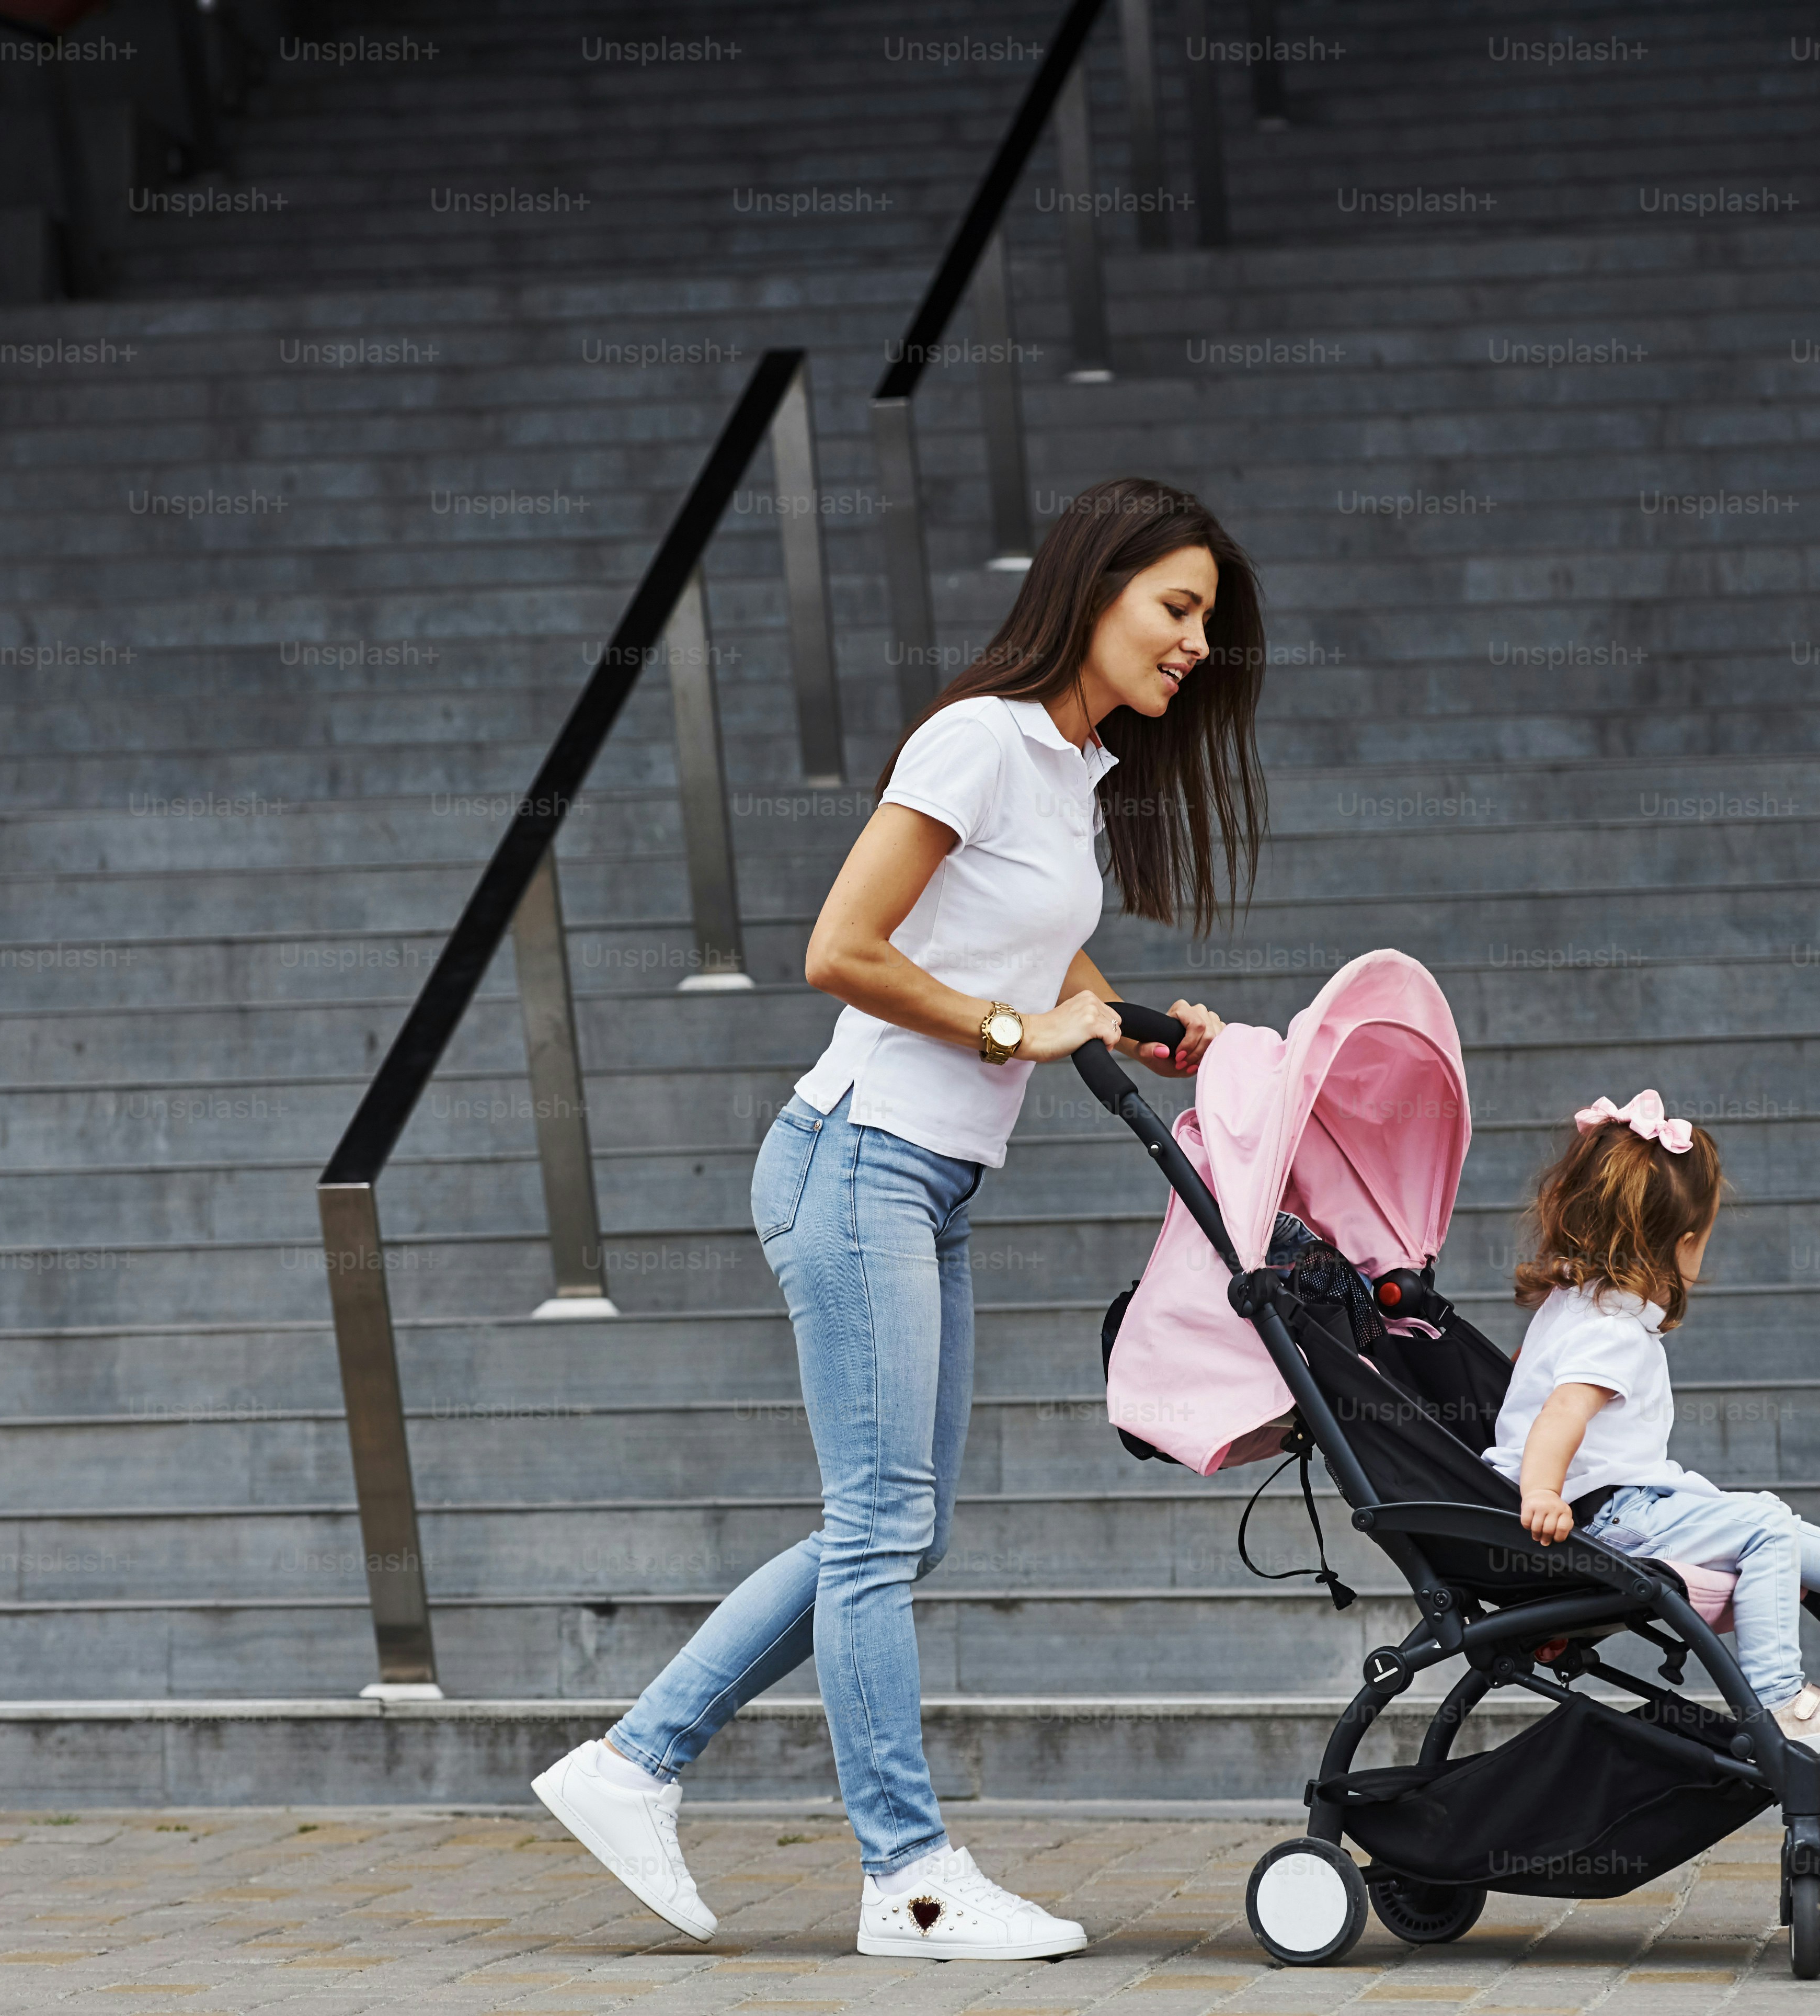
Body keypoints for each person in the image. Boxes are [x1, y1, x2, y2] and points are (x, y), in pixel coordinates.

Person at [530, 478, 1270, 1958]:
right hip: (853, 1153)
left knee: (893, 1531)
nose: (1193, 643)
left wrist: (1123, 1022)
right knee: (878, 1528)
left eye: (1206, 623)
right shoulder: (976, 738)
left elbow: (1029, 953)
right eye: (1173, 607)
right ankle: (910, 1881)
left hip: (924, 1177)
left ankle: (630, 1757)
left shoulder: (1067, 769)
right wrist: (1014, 1031)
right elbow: (838, 947)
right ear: (1094, 582)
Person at [1486, 1090, 1820, 1753]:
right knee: (1764, 1525)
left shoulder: (1572, 1304)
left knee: (1768, 1523)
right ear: (1680, 1244)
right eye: (1702, 1237)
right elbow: (1560, 1414)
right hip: (1603, 1513)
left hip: (1614, 1502)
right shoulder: (1612, 1330)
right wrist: (1540, 1492)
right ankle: (1780, 1701)